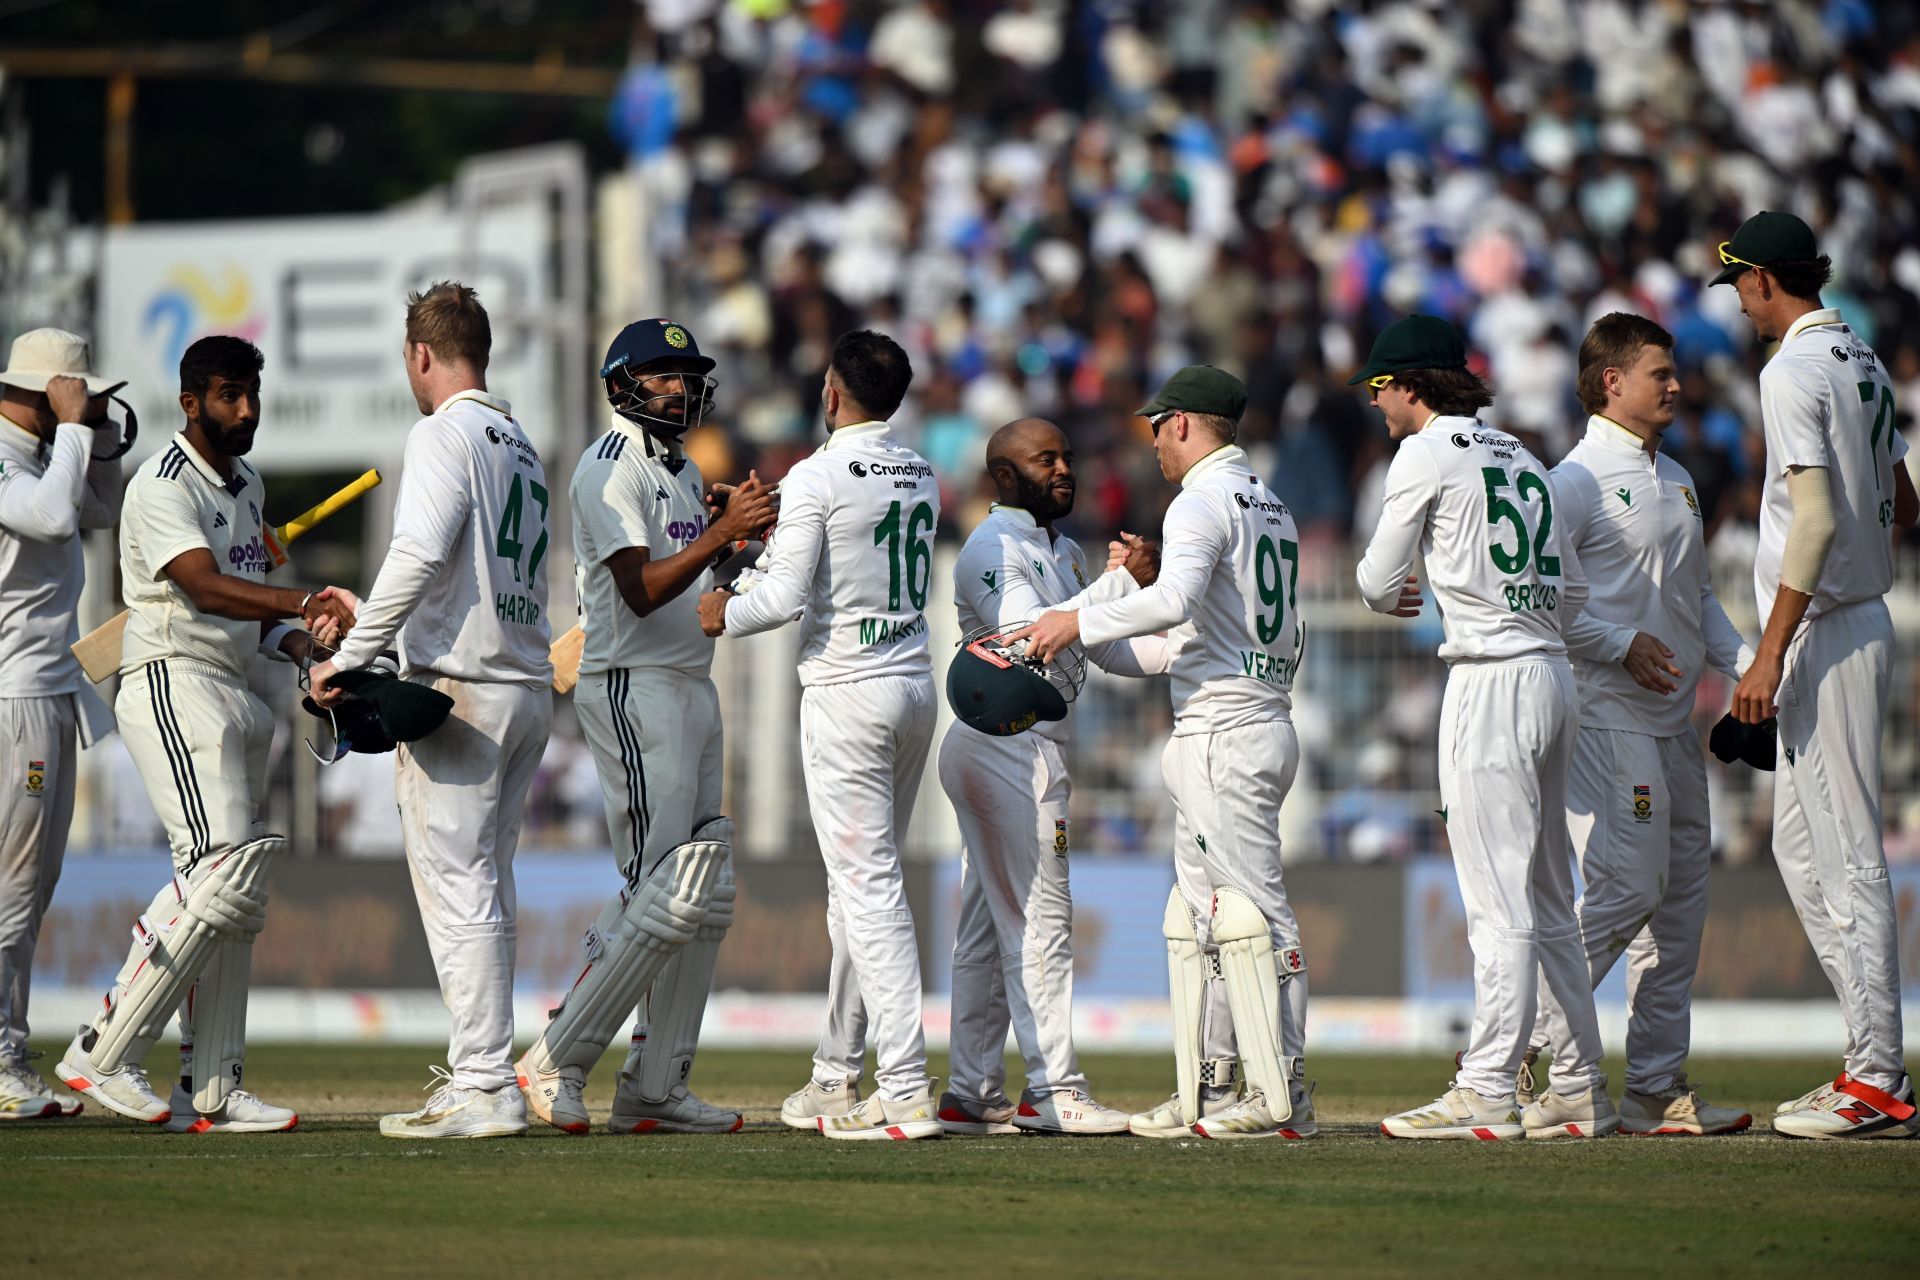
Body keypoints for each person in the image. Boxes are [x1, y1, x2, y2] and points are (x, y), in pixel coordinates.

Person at [56, 335, 354, 1132]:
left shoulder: (248, 485)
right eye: (229, 395)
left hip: (233, 684)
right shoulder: (162, 482)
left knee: (235, 889)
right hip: (171, 677)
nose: (246, 409)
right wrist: (302, 600)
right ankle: (101, 1050)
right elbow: (204, 588)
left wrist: (305, 648)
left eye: (252, 393)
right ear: (191, 403)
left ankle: (213, 1085)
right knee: (217, 872)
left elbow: (249, 609)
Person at [1015, 367, 1317, 1141]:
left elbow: (1176, 600)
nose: (1152, 443)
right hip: (1246, 717)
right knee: (1205, 922)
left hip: (1225, 733)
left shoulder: (1200, 500)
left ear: (1181, 423)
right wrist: (1102, 611)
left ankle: (1284, 1092)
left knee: (1257, 918)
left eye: (1156, 427)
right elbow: (1186, 637)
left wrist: (1076, 622)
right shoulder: (1270, 504)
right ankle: (1212, 1086)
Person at [1352, 314, 1614, 1141]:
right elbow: (1573, 593)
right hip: (1551, 674)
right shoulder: (1523, 455)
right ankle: (1578, 1084)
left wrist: (1407, 590)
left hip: (1489, 681)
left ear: (1410, 385)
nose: (1375, 403)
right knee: (1550, 898)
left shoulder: (1422, 453)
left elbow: (1375, 582)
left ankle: (1488, 1088)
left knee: (1497, 903)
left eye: (1378, 388)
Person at [514, 318, 774, 1136]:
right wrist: (721, 534)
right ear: (620, 384)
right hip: (631, 685)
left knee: (703, 887)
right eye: (662, 374)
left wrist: (730, 538)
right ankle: (555, 1057)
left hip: (690, 680)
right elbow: (638, 589)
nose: (679, 388)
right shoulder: (607, 467)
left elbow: (683, 574)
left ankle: (656, 1083)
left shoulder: (682, 469)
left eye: (686, 375)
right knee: (660, 889)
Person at [311, 282, 555, 1140]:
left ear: (421, 354)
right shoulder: (518, 439)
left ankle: (482, 1083)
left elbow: (418, 551)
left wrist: (349, 657)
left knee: (461, 890)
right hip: (522, 686)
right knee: (488, 887)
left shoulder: (442, 431)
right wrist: (376, 621)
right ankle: (489, 1076)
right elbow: (461, 574)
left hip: (465, 692)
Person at [697, 329, 943, 1141]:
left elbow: (781, 600)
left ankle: (903, 1085)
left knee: (868, 893)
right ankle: (836, 1073)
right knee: (857, 895)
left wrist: (720, 611)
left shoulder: (817, 473)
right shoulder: (921, 470)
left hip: (847, 692)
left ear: (832, 393)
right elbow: (839, 553)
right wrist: (758, 537)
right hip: (911, 685)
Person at [1712, 211, 1920, 1137]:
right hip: (1844, 616)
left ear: (1764, 279)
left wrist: (1769, 650)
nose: (1739, 303)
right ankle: (1867, 1055)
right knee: (1801, 851)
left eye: (1740, 285)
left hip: (1826, 626)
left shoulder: (1791, 368)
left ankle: (1879, 1079)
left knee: (1848, 850)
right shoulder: (1862, 358)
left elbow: (1820, 519)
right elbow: (1902, 501)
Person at [1528, 313, 1753, 1136]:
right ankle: (1515, 1040)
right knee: (1628, 888)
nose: (1677, 385)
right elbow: (1542, 602)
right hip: (1607, 713)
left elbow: (1697, 598)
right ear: (1610, 382)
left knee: (1680, 908)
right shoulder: (1573, 482)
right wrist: (1619, 644)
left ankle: (1655, 1086)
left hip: (1673, 723)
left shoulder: (1680, 479)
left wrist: (1752, 664)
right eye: (1660, 373)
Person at [936, 417, 1166, 1136]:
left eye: (1066, 456)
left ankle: (971, 1091)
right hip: (1008, 744)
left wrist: (1185, 640)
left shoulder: (1062, 550)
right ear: (1005, 476)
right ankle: (1053, 1091)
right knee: (1042, 920)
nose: (1064, 469)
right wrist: (1118, 584)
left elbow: (1104, 650)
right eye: (1045, 460)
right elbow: (1032, 634)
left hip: (1025, 746)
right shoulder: (990, 546)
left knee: (987, 931)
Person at [0, 329, 126, 1120]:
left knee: (34, 885)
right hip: (16, 699)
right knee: (13, 884)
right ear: (48, 390)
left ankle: (8, 1052)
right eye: (78, 392)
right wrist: (76, 426)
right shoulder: (5, 458)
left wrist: (98, 434)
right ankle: (2, 1059)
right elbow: (51, 518)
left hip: (49, 692)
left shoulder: (49, 454)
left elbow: (99, 509)